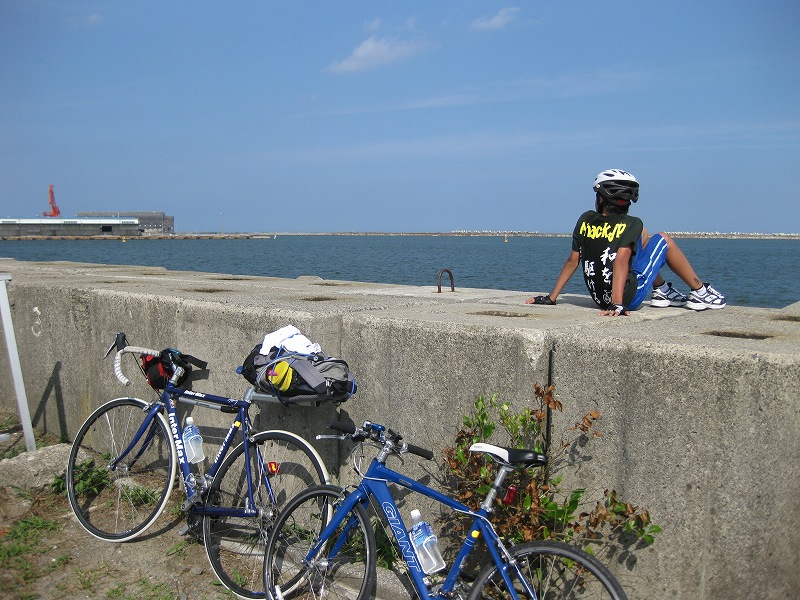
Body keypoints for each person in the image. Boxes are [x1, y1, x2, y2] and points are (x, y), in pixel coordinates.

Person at [525, 169, 726, 315]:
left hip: (600, 298)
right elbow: (620, 261)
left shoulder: (585, 219)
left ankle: (662, 290)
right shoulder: (631, 223)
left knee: (642, 235)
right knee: (663, 239)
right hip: (627, 298)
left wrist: (551, 298)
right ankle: (699, 291)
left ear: (601, 199)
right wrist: (618, 304)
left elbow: (572, 261)